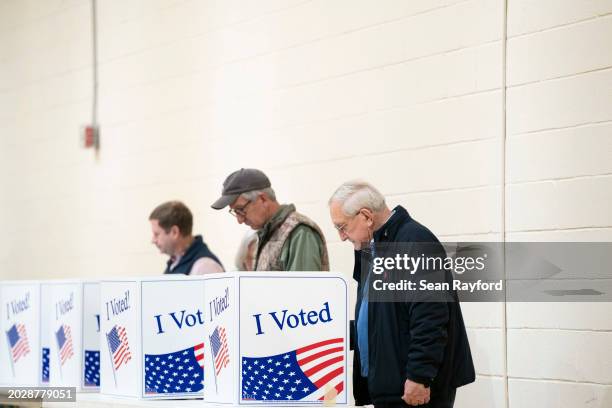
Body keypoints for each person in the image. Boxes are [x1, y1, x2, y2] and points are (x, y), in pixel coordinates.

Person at [328, 181, 475, 408]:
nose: (342, 236)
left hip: (413, 388)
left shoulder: (414, 241)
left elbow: (431, 315)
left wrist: (419, 375)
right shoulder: (373, 247)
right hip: (390, 383)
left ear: (366, 216)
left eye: (342, 227)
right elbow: (379, 318)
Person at [211, 168, 329, 271]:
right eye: (235, 212)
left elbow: (305, 292)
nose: (239, 220)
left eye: (241, 210)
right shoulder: (265, 233)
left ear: (262, 199)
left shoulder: (299, 233)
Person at [149, 201, 224, 275]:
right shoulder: (175, 262)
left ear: (175, 232)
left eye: (156, 234)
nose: (153, 240)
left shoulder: (205, 267)